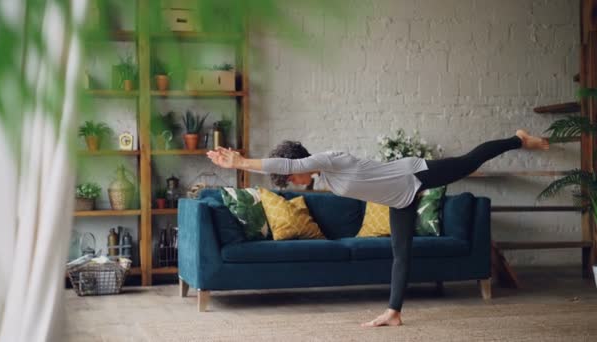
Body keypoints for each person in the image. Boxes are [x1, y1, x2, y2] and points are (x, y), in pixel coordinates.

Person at [206, 129, 549, 327]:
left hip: (414, 174)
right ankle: (394, 312)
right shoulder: (325, 177)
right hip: (401, 198)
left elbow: (292, 163)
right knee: (400, 254)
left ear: (301, 163)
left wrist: (240, 162)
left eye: (291, 175)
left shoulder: (329, 158)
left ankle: (517, 139)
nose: (292, 180)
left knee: (469, 161)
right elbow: (295, 168)